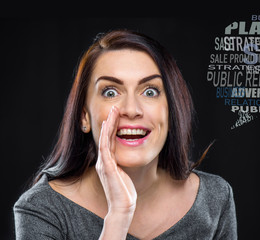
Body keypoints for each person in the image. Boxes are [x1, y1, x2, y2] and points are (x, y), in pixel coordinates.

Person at [13, 29, 237, 240]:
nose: (131, 109)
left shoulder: (215, 198)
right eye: (111, 92)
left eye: (150, 91)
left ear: (171, 111)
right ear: (84, 116)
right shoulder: (41, 208)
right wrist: (118, 217)